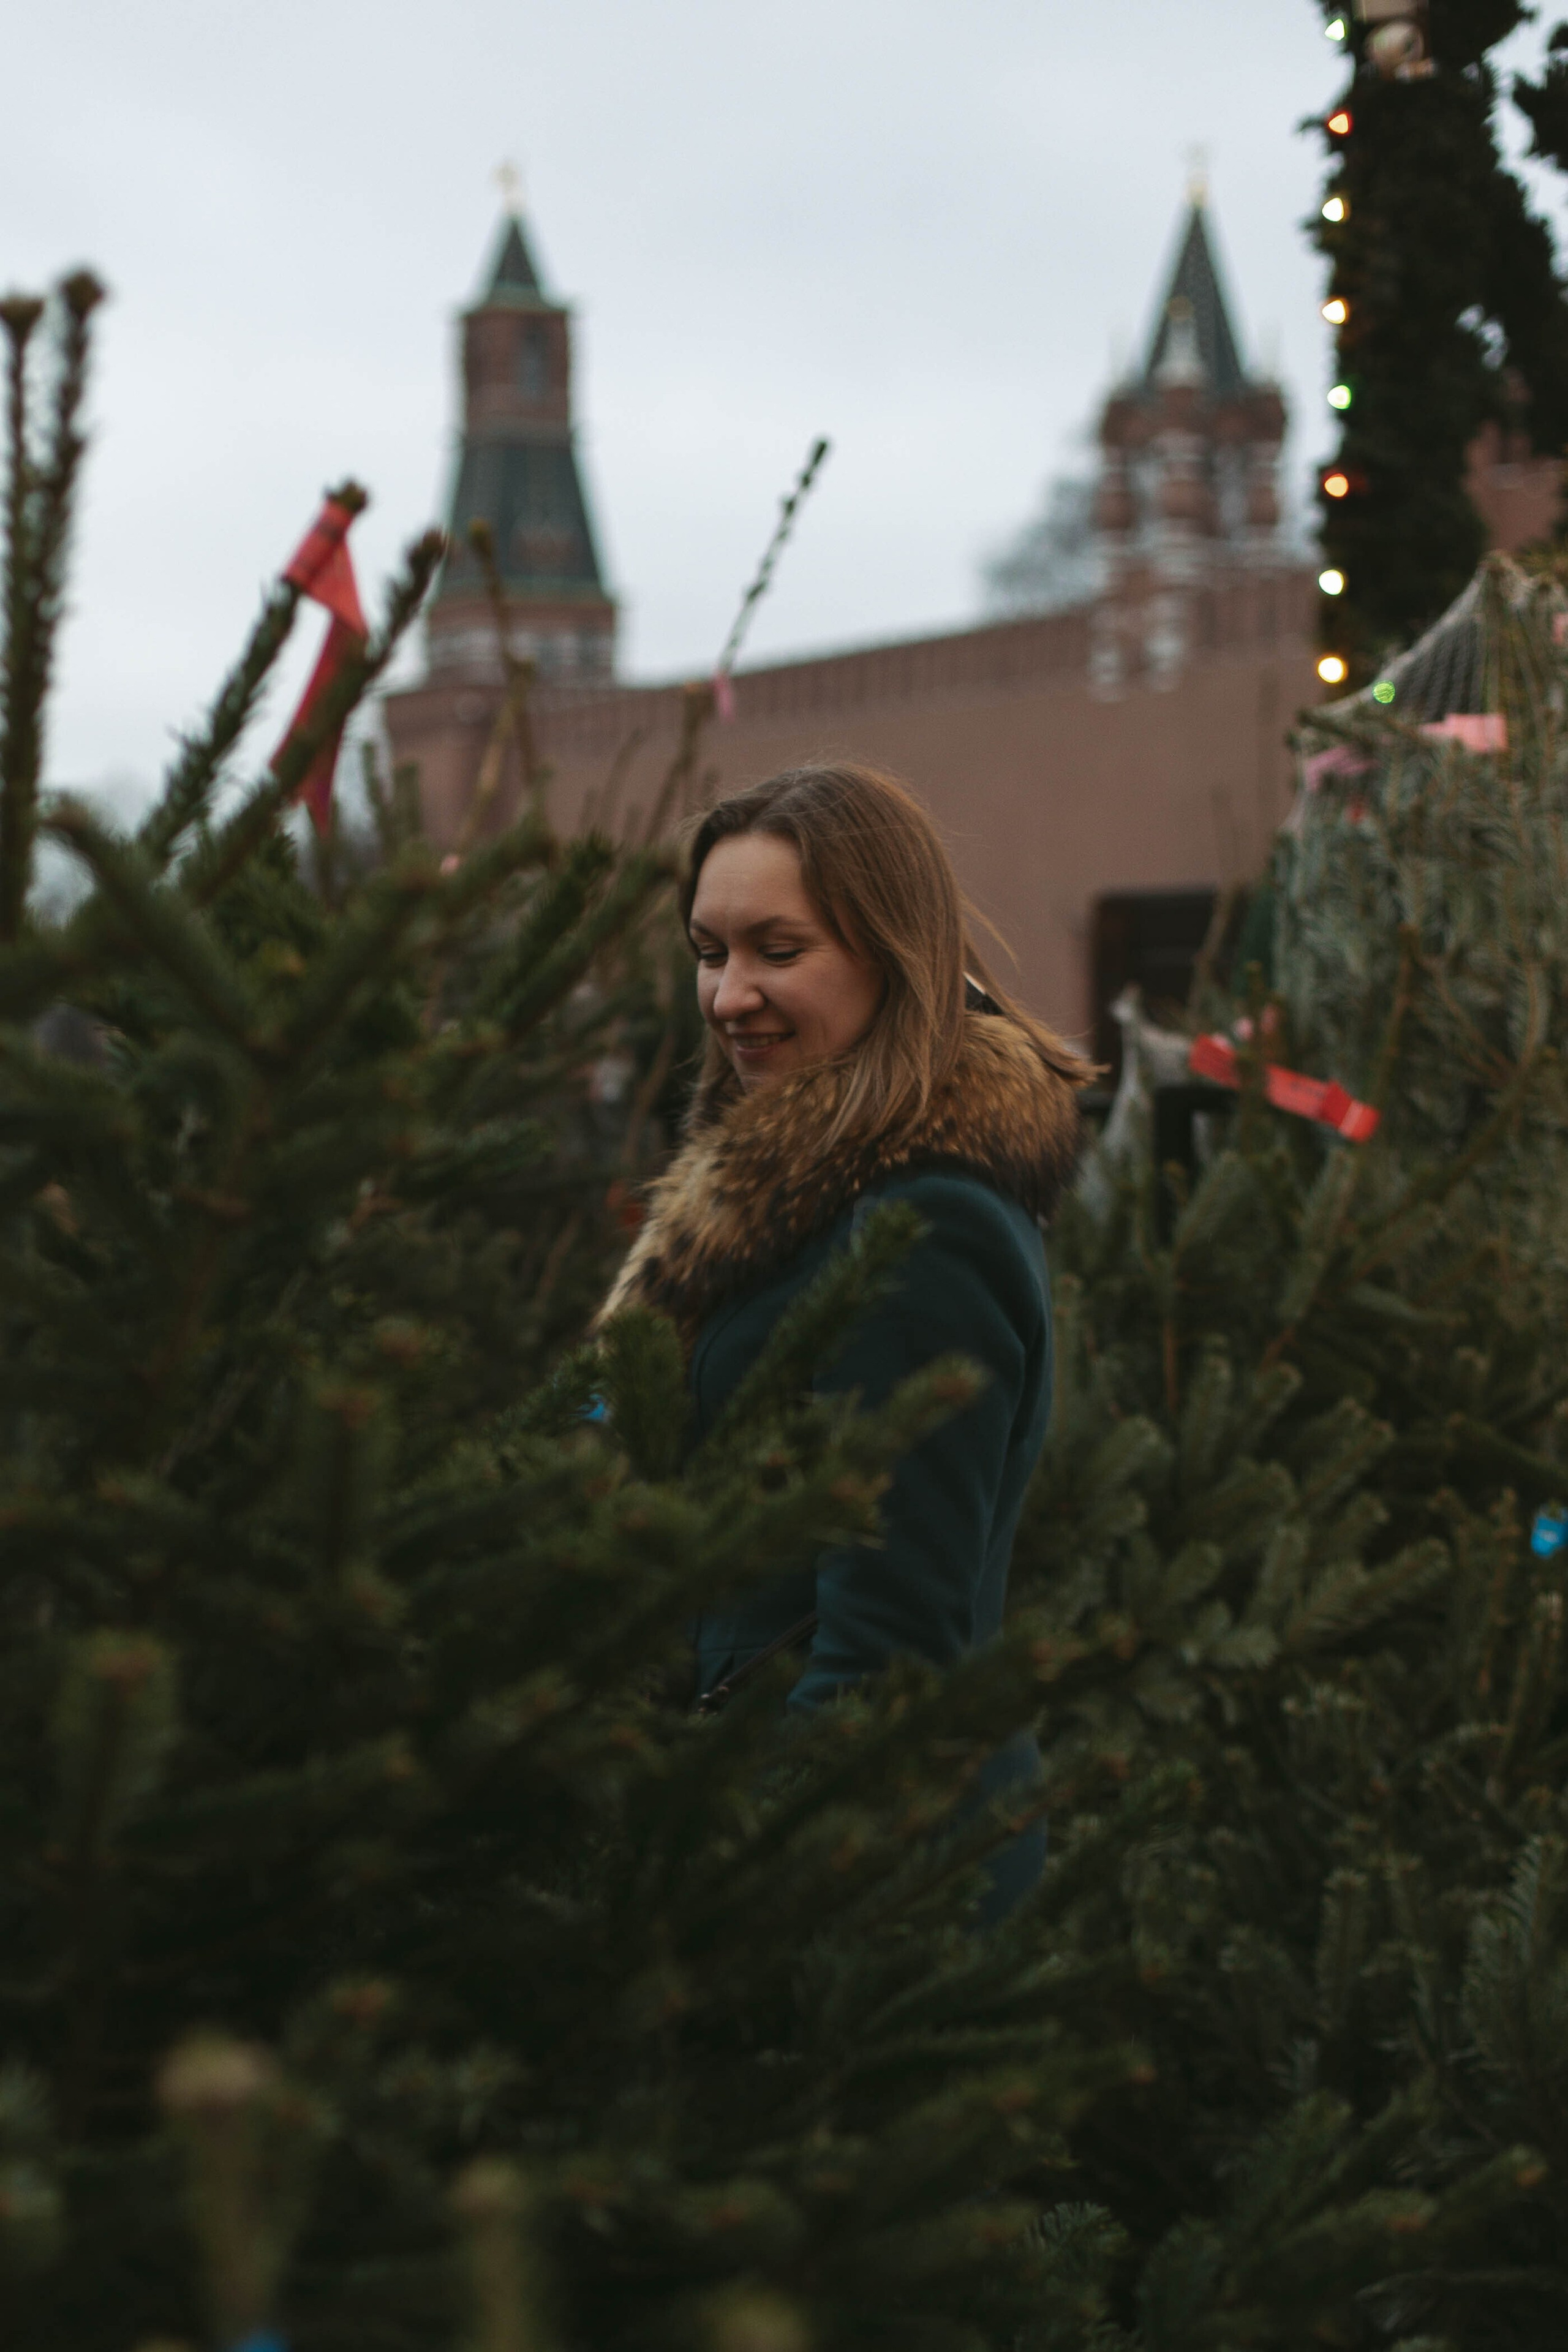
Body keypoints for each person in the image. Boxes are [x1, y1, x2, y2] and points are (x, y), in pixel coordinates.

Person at [600, 763, 1091, 1917]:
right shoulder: (789, 1196)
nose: (730, 998)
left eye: (779, 950)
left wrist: (727, 1877)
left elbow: (887, 1646)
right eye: (711, 954)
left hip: (866, 1879)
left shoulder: (919, 1224)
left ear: (894, 954)